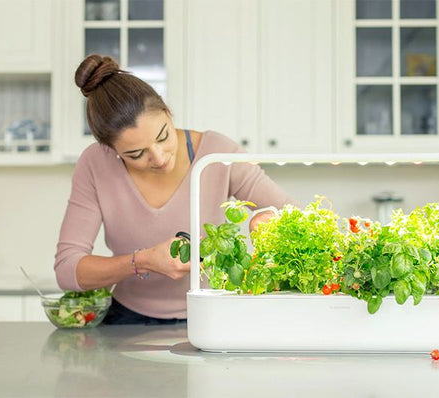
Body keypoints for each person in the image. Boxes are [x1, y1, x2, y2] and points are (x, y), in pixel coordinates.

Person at [54, 54, 296, 325]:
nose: (159, 158)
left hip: (214, 316)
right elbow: (67, 270)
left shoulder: (218, 153)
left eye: (163, 136)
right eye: (136, 154)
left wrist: (268, 220)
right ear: (111, 150)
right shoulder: (95, 163)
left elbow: (294, 217)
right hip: (127, 321)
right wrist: (142, 261)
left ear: (169, 114)